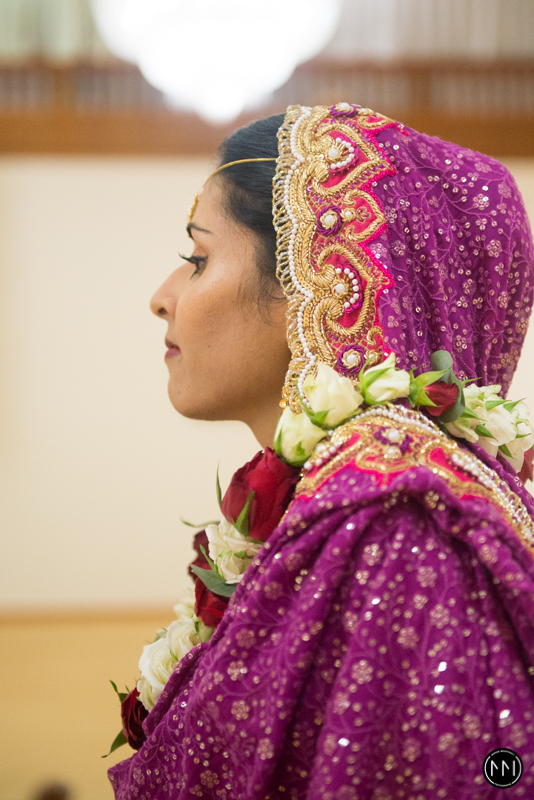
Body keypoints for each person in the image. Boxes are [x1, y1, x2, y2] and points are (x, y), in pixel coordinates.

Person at [109, 103, 534, 799]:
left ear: (320, 281)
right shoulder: (346, 492)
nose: (161, 298)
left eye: (198, 259)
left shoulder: (392, 523)